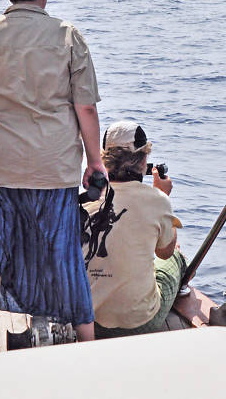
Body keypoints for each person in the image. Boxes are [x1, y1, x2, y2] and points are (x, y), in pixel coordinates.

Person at [0, 0, 106, 355]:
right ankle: (87, 344)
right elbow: (87, 108)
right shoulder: (67, 35)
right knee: (64, 254)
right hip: (52, 167)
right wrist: (95, 162)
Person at [83, 121, 185, 339]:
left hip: (90, 320)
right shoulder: (157, 200)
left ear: (104, 160)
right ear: (143, 161)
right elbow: (163, 253)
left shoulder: (86, 201)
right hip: (140, 323)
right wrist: (163, 196)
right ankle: (182, 288)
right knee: (175, 254)